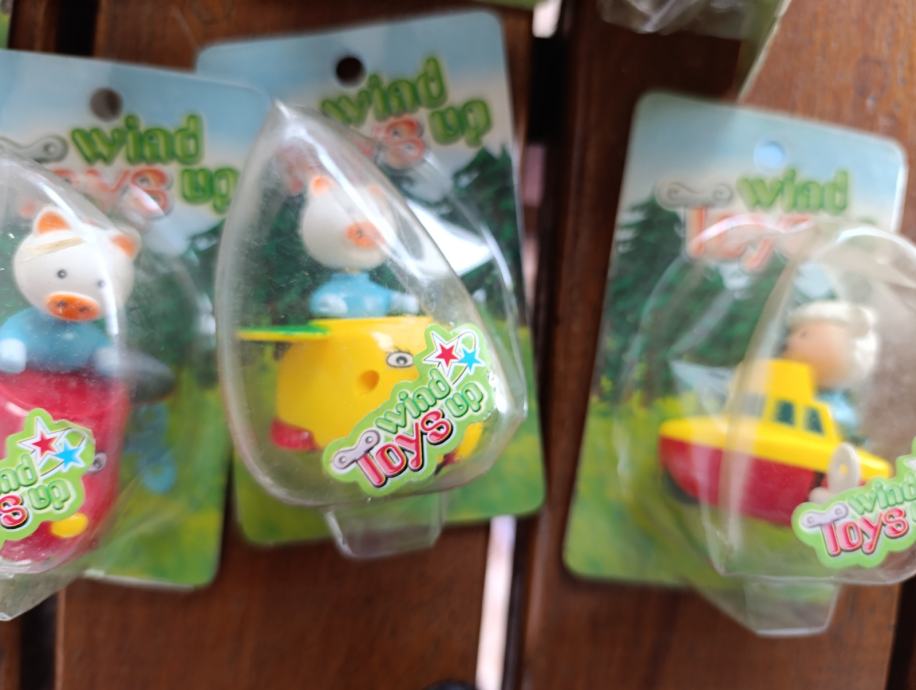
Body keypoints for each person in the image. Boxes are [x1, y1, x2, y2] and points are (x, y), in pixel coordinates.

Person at [783, 300, 877, 440]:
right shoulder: (781, 381)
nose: (789, 341)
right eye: (791, 333)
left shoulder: (836, 412)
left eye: (804, 335)